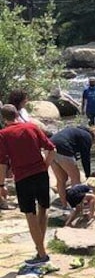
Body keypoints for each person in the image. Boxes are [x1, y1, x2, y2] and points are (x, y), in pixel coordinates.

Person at [0, 104, 56, 265]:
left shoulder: (3, 134)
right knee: (43, 208)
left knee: (30, 213)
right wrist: (45, 166)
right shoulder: (32, 127)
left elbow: (2, 163)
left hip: (23, 178)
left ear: (4, 119)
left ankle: (42, 253)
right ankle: (40, 249)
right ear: (17, 114)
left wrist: (1, 185)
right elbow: (52, 149)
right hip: (41, 174)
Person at [50, 125, 95, 208]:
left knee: (61, 179)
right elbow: (85, 158)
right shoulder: (87, 137)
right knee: (76, 178)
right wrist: (88, 175)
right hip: (63, 147)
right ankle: (77, 205)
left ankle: (64, 205)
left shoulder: (77, 131)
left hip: (50, 146)